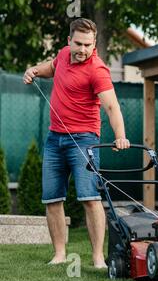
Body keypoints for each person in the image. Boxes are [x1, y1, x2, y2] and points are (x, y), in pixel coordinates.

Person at [23, 18, 130, 268]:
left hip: (84, 141)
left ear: (95, 45)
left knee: (90, 198)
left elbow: (112, 106)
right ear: (69, 41)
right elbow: (50, 67)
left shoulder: (97, 69)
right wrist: (33, 70)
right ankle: (60, 255)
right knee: (52, 199)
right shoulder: (62, 55)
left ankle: (97, 258)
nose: (83, 50)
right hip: (54, 140)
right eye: (78, 44)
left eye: (88, 45)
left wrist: (120, 135)